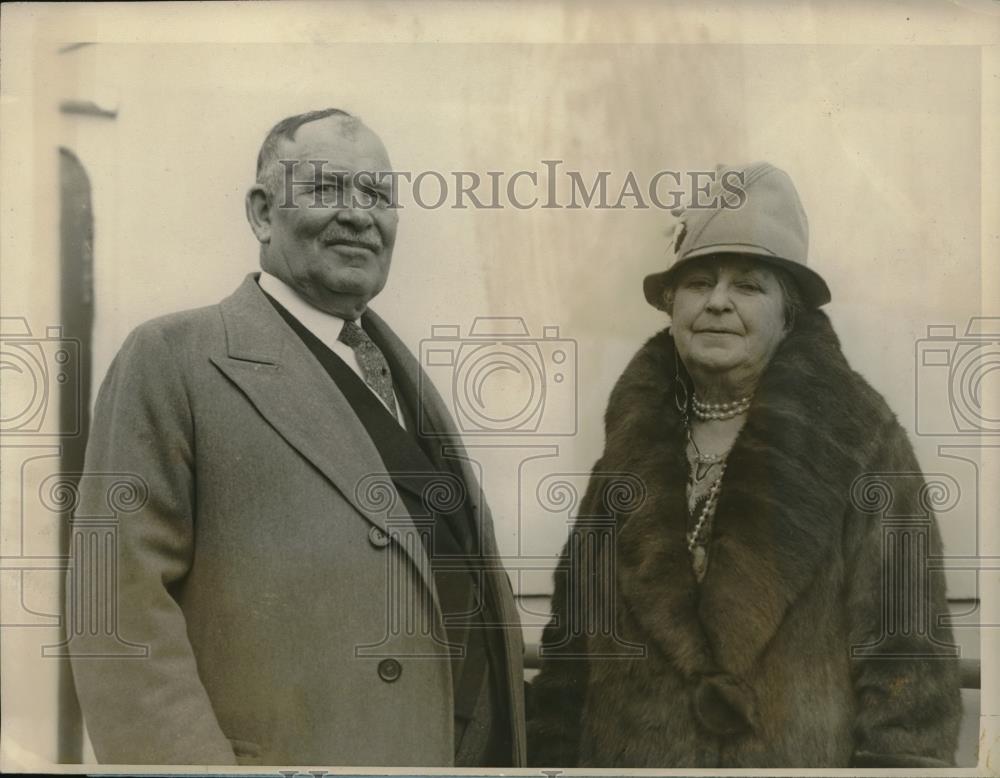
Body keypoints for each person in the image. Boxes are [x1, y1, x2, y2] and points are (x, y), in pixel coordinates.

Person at [67, 108, 526, 767]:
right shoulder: (174, 360)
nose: (358, 215)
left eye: (376, 195)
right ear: (261, 213)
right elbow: (117, 623)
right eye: (325, 189)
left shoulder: (399, 374)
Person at [526, 162, 961, 768]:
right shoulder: (630, 450)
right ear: (671, 304)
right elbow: (568, 658)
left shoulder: (860, 444)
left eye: (749, 287)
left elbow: (908, 669)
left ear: (789, 315)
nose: (719, 303)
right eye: (700, 282)